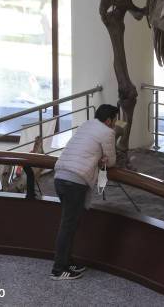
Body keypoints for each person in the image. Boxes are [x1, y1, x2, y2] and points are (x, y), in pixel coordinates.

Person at [49, 104, 118, 280]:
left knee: (70, 224)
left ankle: (67, 262)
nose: (116, 123)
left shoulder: (86, 125)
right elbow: (111, 162)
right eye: (115, 119)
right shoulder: (108, 132)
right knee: (68, 226)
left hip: (60, 177)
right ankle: (58, 270)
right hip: (75, 181)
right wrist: (104, 158)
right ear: (109, 120)